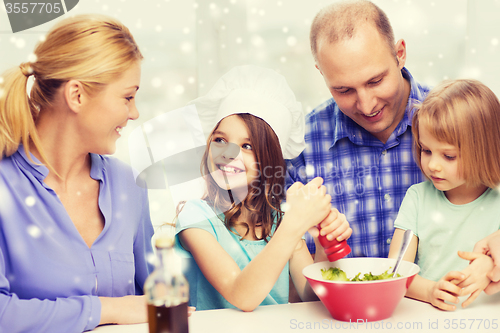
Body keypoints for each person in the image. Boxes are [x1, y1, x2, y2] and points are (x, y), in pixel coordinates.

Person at [0, 15, 154, 332]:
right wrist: (108, 309)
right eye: (127, 97)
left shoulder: (130, 185)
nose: (134, 113)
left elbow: (155, 297)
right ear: (77, 95)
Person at [174, 65, 352, 311]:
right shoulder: (196, 218)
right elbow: (241, 296)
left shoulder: (280, 222)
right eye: (220, 140)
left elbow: (312, 299)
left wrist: (323, 245)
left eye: (247, 146)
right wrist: (294, 224)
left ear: (269, 159)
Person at [287, 0, 431, 258]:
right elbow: (290, 280)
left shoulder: (461, 121)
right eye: (343, 90)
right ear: (321, 73)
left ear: (400, 54)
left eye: (375, 81)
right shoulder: (298, 146)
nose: (366, 106)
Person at [388, 79, 500, 311]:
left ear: (485, 150)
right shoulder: (417, 198)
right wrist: (429, 291)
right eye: (426, 150)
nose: (433, 166)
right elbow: (396, 271)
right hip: (430, 319)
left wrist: (490, 267)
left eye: (448, 156)